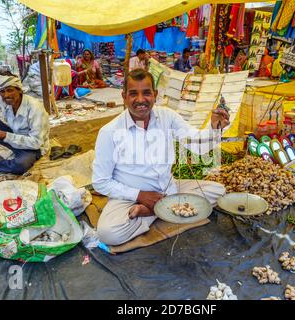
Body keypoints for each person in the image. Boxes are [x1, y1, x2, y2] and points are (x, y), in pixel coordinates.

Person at [92, 69, 229, 246]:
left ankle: (152, 212)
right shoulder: (109, 132)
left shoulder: (167, 117)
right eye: (133, 93)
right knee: (108, 233)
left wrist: (214, 127)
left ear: (155, 95)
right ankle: (165, 209)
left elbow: (197, 144)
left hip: (169, 189)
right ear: (124, 96)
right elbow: (100, 181)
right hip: (129, 198)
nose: (141, 100)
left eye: (147, 93)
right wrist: (139, 194)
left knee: (219, 191)